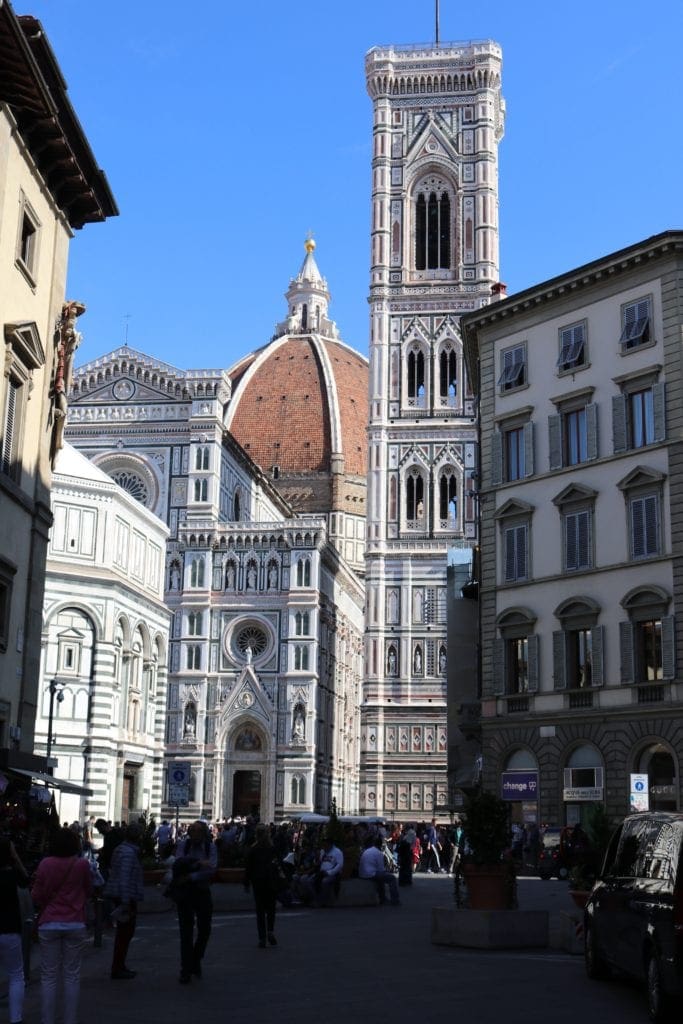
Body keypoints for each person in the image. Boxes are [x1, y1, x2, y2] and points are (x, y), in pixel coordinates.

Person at [31, 828, 92, 1024]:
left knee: (48, 975)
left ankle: (47, 1020)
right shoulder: (82, 864)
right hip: (75, 922)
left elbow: (36, 895)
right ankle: (69, 1020)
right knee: (71, 975)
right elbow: (89, 889)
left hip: (49, 922)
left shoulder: (45, 864)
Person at [171, 820, 217, 983]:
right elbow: (177, 863)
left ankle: (195, 959)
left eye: (199, 832)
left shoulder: (210, 847)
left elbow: (211, 869)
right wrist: (199, 864)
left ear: (204, 834)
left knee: (205, 929)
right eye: (193, 831)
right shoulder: (184, 845)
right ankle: (186, 970)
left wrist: (190, 874)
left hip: (202, 891)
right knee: (186, 932)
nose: (196, 835)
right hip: (185, 893)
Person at [103, 822, 144, 980]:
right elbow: (125, 877)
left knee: (124, 932)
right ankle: (118, 967)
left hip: (120, 894)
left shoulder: (121, 849)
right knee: (125, 932)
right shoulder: (128, 853)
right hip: (125, 895)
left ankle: (120, 965)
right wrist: (126, 902)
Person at [0, 838, 29, 1024]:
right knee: (16, 974)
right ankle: (15, 1018)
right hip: (10, 928)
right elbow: (26, 881)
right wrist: (16, 858)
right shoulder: (13, 875)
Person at [244, 823, 280, 948]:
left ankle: (262, 938)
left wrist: (246, 883)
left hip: (258, 882)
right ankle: (270, 930)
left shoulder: (253, 849)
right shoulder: (272, 848)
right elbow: (277, 864)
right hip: (271, 882)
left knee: (260, 911)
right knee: (271, 909)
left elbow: (248, 868)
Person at [358, 837, 401, 906]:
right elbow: (381, 869)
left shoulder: (368, 850)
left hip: (362, 873)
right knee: (392, 878)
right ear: (380, 846)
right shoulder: (379, 853)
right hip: (370, 874)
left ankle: (383, 898)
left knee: (380, 878)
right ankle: (395, 899)